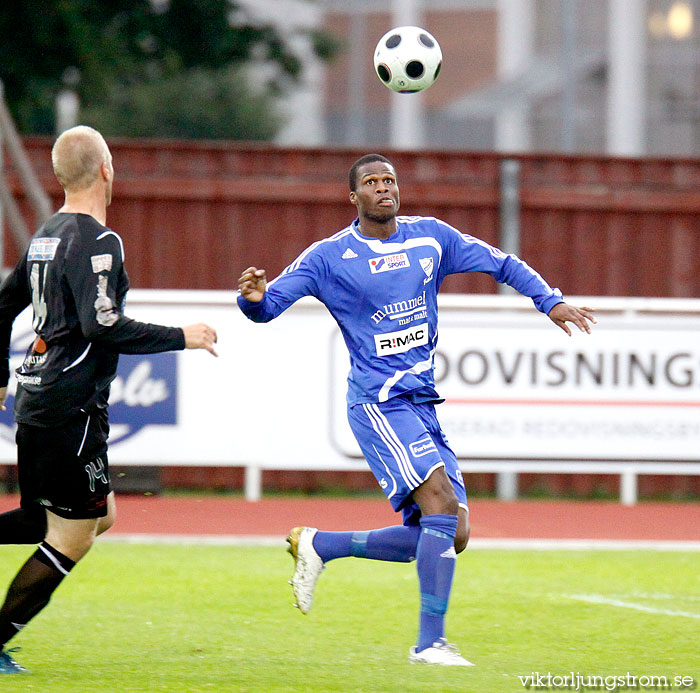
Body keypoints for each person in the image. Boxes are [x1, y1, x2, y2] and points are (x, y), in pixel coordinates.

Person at [237, 153, 595, 666]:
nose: (384, 188)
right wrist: (251, 299)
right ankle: (430, 644)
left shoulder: (431, 237)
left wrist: (549, 300)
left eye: (390, 180)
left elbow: (502, 262)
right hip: (378, 403)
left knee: (454, 531)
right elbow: (267, 308)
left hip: (422, 401)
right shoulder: (327, 256)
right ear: (353, 197)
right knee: (442, 505)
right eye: (371, 182)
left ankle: (323, 545)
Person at [0, 125, 218, 674]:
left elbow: (3, 305)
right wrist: (181, 337)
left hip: (41, 401)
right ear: (106, 169)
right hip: (68, 408)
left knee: (84, 517)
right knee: (73, 537)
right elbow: (103, 325)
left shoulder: (46, 234)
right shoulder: (100, 240)